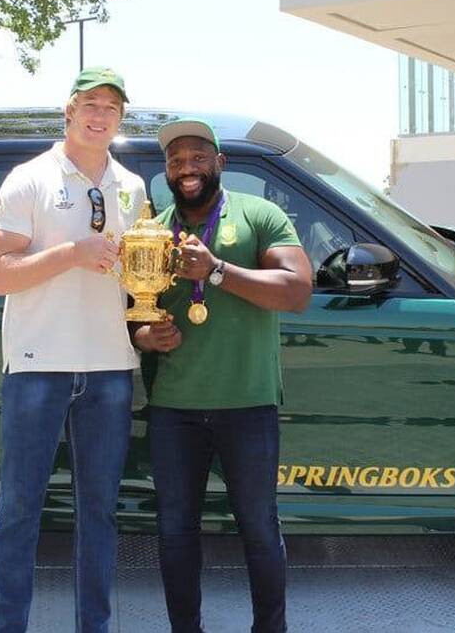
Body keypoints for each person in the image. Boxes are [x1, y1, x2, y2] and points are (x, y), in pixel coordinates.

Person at [0, 67, 146, 633]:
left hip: (110, 366)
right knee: (18, 511)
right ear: (69, 110)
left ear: (121, 118)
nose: (100, 116)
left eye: (111, 107)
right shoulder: (29, 179)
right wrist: (73, 253)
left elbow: (136, 278)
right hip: (38, 365)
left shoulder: (133, 187)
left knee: (99, 513)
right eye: (90, 104)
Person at [133, 118, 313, 633]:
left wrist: (216, 270)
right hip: (174, 408)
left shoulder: (259, 214)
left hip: (248, 403)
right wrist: (144, 336)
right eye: (176, 162)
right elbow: (129, 313)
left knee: (259, 528)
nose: (186, 169)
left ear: (220, 163)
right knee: (175, 531)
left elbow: (297, 290)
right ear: (166, 172)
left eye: (197, 158)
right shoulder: (150, 231)